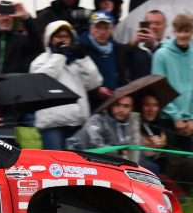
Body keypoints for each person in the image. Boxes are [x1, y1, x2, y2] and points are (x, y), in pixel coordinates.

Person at [30, 20, 103, 150]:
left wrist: (84, 58)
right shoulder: (41, 60)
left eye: (66, 36)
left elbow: (94, 83)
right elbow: (40, 81)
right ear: (50, 39)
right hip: (52, 125)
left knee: (78, 167)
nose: (63, 40)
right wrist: (59, 56)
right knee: (55, 166)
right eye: (59, 36)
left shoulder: (77, 61)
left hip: (78, 123)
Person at [137, 92, 193, 194]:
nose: (151, 109)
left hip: (171, 161)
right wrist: (151, 150)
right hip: (153, 166)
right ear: (141, 107)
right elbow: (138, 156)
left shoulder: (163, 124)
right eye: (147, 105)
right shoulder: (136, 126)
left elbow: (171, 147)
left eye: (155, 105)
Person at [151, 13, 193, 140]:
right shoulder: (161, 55)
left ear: (192, 32)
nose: (183, 35)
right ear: (174, 31)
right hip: (168, 119)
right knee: (170, 159)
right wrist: (176, 117)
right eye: (179, 31)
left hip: (190, 122)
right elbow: (159, 88)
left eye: (186, 31)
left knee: (192, 159)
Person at [65, 94, 135, 158]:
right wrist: (120, 152)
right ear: (111, 105)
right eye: (117, 105)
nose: (121, 110)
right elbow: (95, 147)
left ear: (132, 108)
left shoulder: (133, 124)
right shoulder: (97, 120)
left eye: (126, 106)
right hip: (76, 158)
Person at [78, 11, 126, 103]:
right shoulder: (80, 50)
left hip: (115, 104)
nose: (102, 32)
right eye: (98, 27)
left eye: (106, 28)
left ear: (112, 29)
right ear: (90, 28)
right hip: (90, 105)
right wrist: (96, 92)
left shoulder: (117, 50)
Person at [124, 10, 168, 82]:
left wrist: (155, 45)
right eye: (150, 23)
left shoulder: (171, 46)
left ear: (165, 26)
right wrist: (131, 45)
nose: (153, 26)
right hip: (138, 90)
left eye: (158, 23)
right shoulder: (135, 46)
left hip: (162, 89)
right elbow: (121, 65)